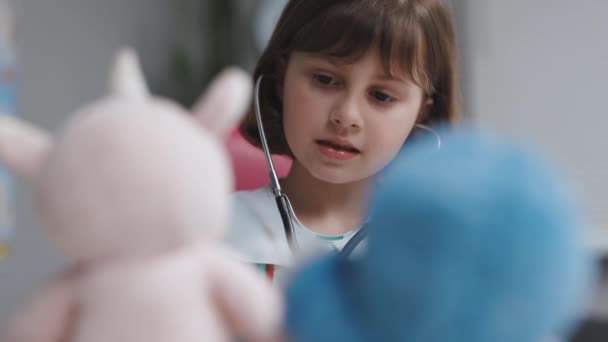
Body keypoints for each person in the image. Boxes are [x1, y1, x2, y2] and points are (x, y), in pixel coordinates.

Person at [225, 0, 461, 287]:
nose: (346, 116)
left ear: (421, 112)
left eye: (382, 96)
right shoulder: (212, 230)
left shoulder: (434, 251)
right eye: (325, 79)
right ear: (282, 79)